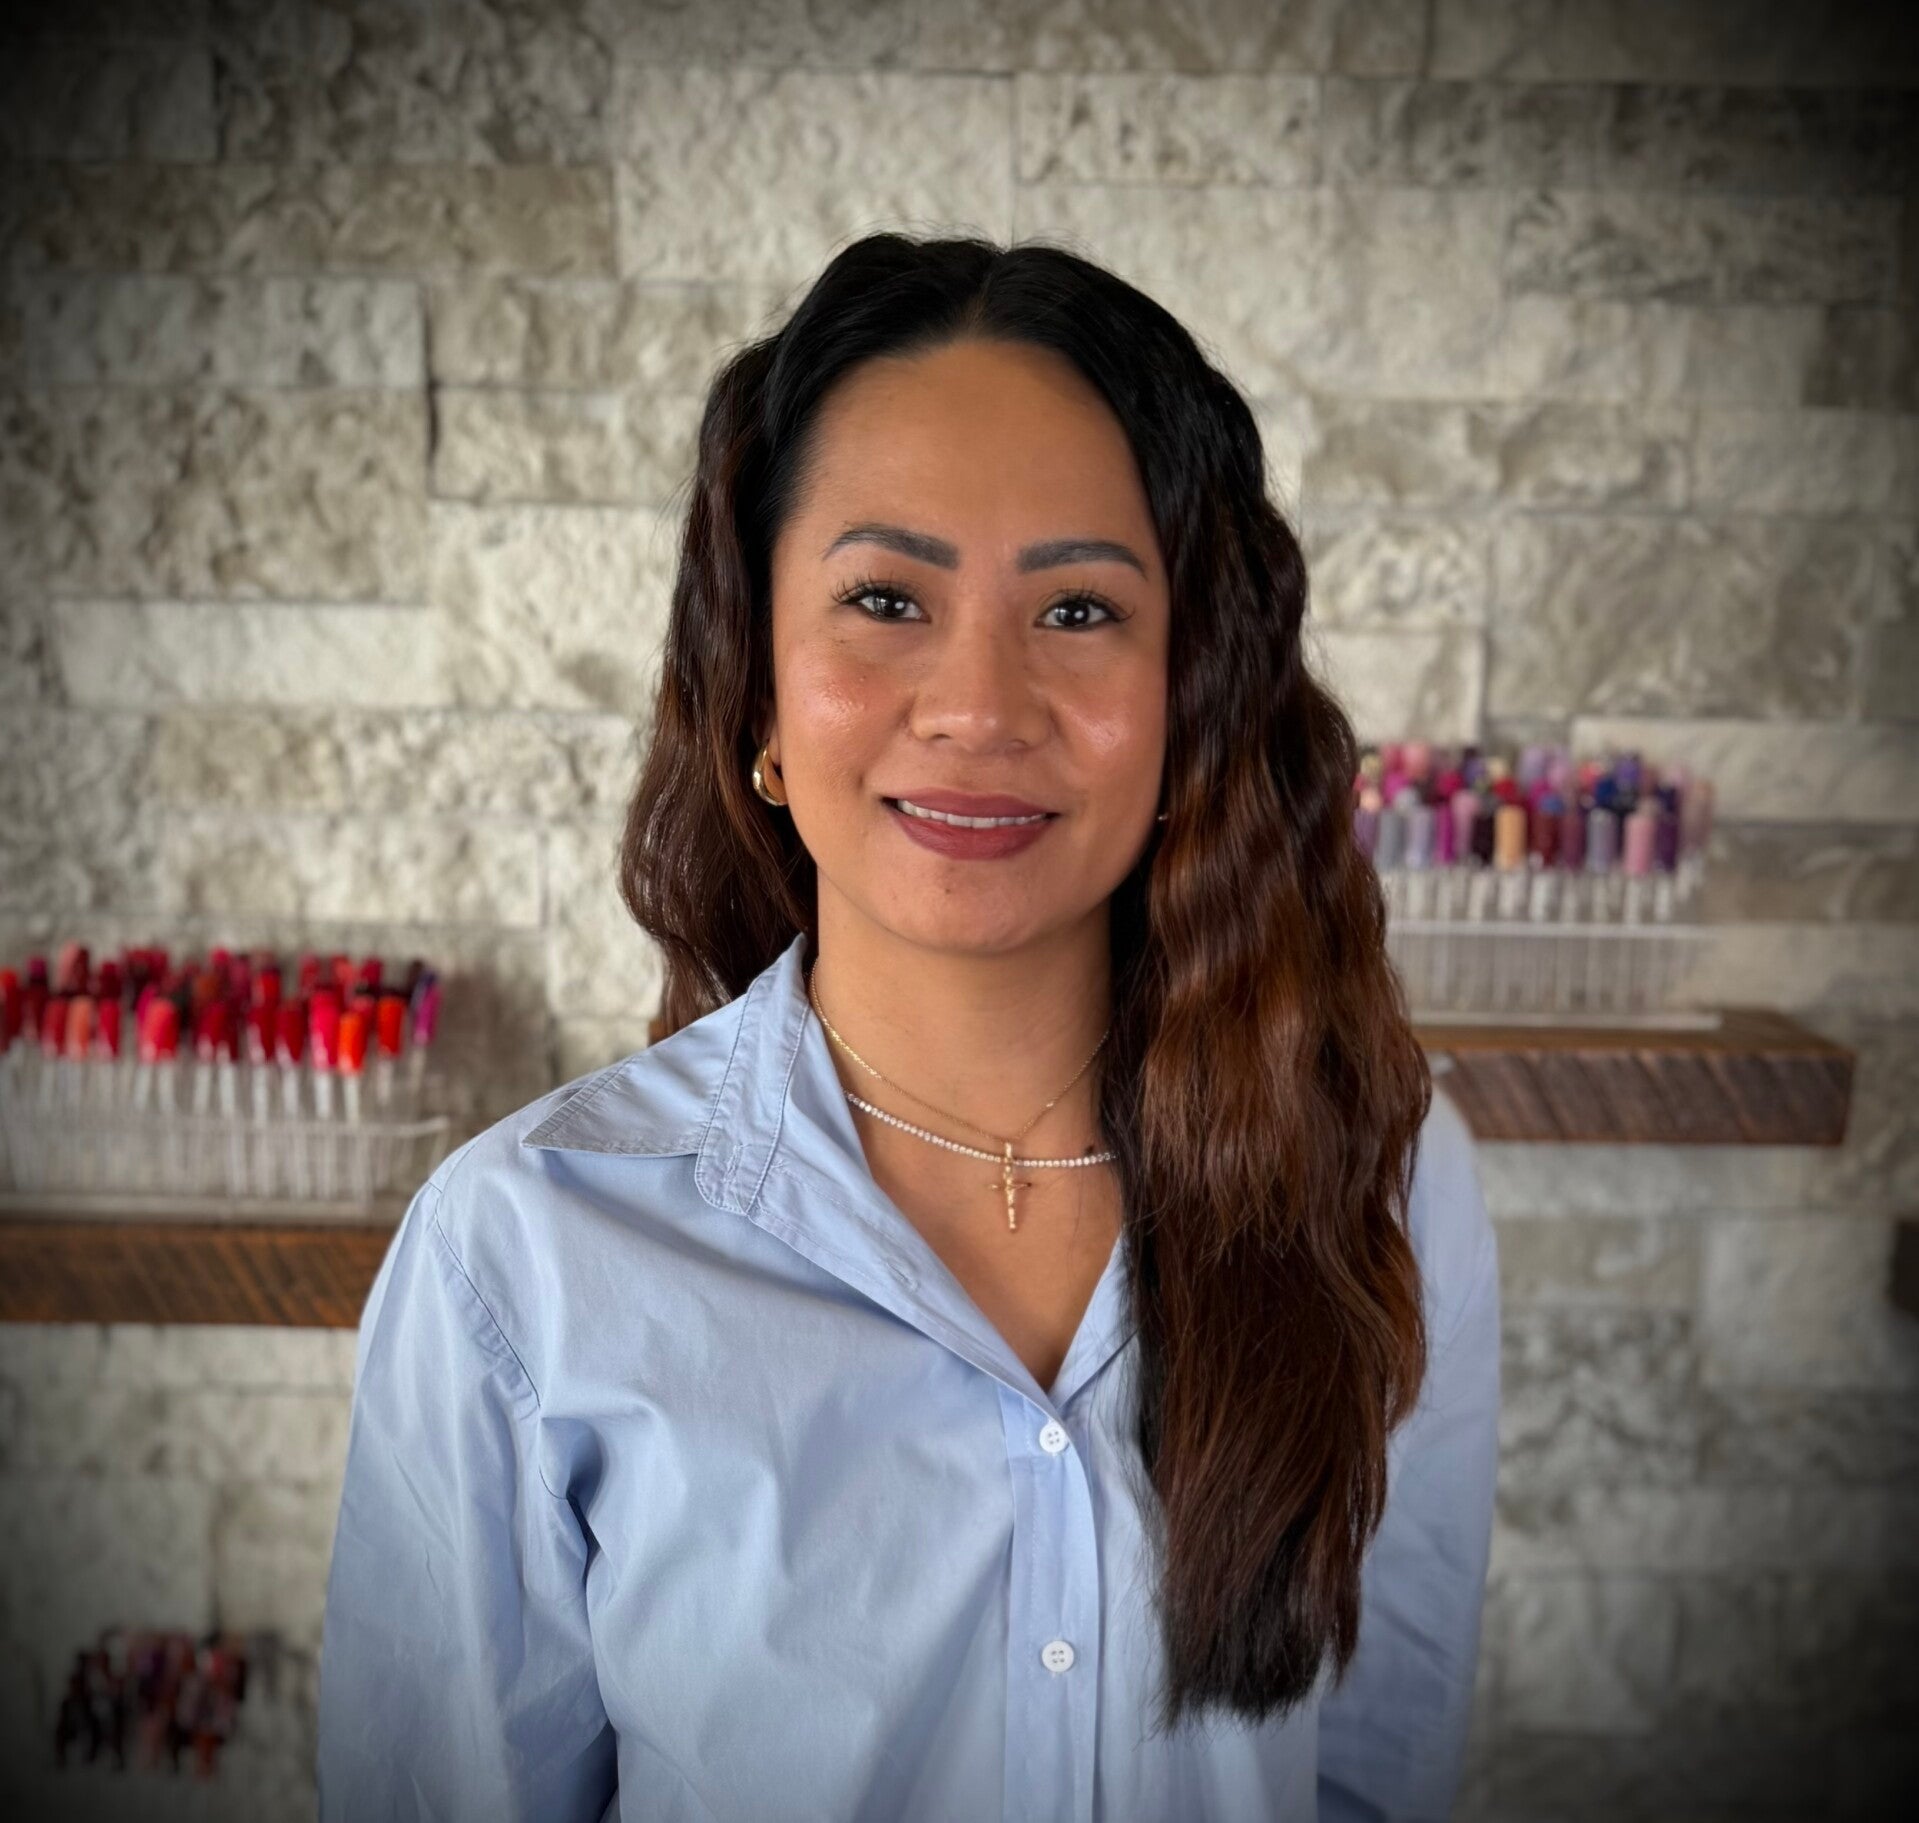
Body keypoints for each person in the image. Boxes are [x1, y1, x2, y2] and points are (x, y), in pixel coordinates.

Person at [315, 231, 1500, 1822]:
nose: (978, 708)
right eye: (885, 598)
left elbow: (1375, 1782)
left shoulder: (1386, 1175)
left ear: (1193, 693)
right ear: (756, 689)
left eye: (1077, 609)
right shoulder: (521, 1256)